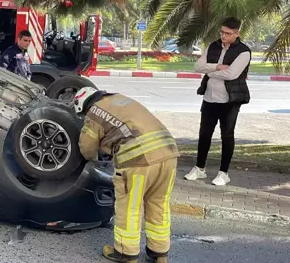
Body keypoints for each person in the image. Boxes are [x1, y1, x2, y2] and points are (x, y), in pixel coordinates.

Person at [73, 87, 179, 263]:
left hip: (137, 161)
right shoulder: (119, 99)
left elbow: (87, 147)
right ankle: (159, 253)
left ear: (83, 106)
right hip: (169, 155)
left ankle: (125, 253)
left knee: (129, 207)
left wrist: (94, 159)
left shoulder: (94, 112)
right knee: (158, 204)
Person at [184, 17, 251, 186]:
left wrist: (209, 71)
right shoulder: (213, 46)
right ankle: (199, 169)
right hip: (209, 98)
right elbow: (198, 67)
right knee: (204, 134)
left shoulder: (244, 52)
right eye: (222, 32)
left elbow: (232, 75)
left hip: (230, 100)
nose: (223, 36)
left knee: (226, 135)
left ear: (237, 34)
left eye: (228, 33)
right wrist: (216, 67)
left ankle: (224, 173)